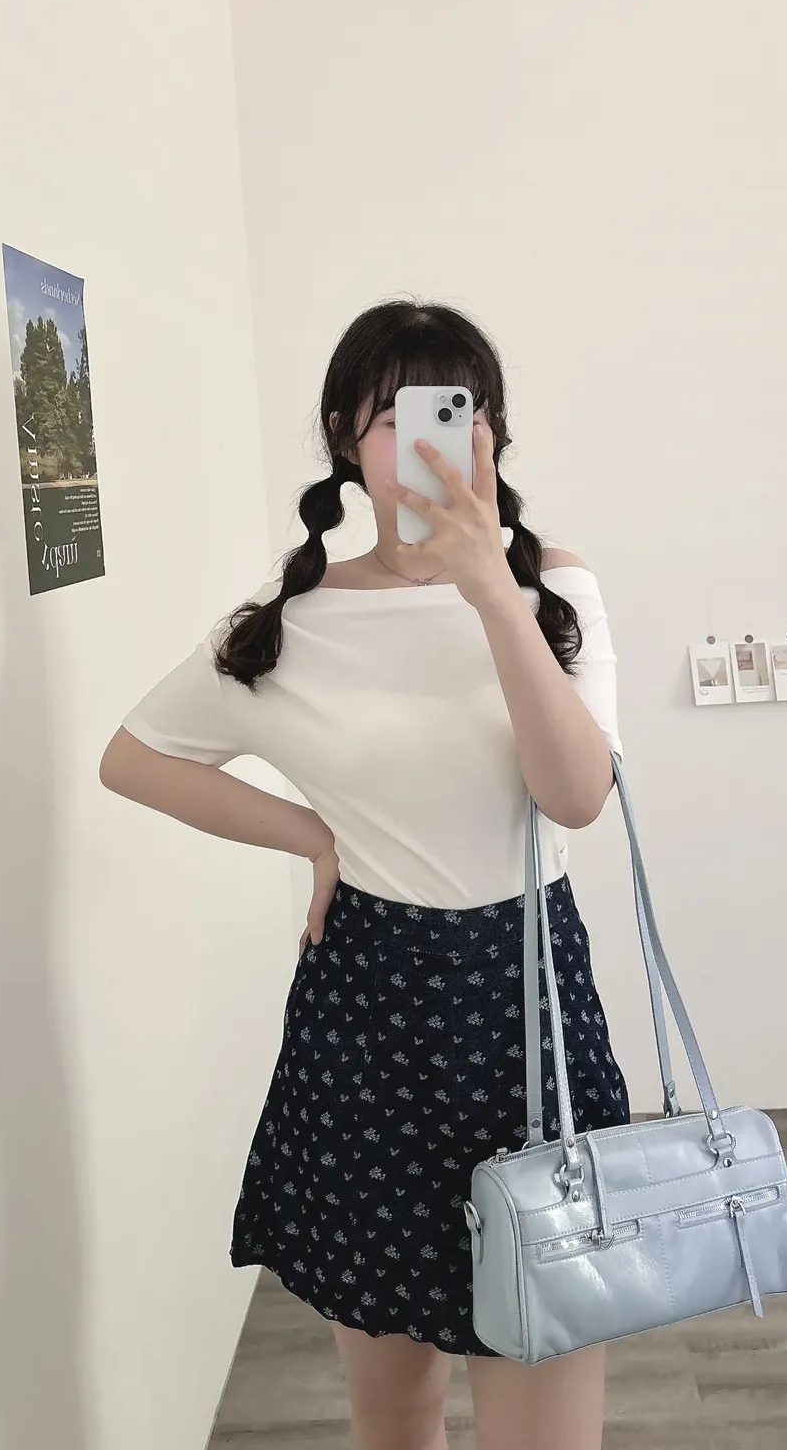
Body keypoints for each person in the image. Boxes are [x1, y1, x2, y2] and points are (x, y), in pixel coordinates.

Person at [99, 300, 631, 1450]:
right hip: (368, 1026)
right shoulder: (289, 627)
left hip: (529, 1012)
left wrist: (489, 590)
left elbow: (577, 794)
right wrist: (312, 836)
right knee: (394, 1416)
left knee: (547, 1422)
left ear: (492, 430)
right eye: (397, 415)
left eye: (458, 408)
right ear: (346, 435)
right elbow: (134, 757)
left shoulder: (556, 589)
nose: (435, 436)